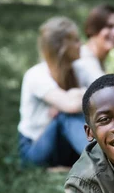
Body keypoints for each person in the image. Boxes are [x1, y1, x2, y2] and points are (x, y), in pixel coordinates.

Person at [18, 17, 87, 169]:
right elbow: (70, 106)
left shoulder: (79, 70)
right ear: (61, 46)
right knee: (65, 115)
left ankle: (100, 158)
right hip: (35, 149)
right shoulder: (36, 75)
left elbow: (105, 90)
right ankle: (103, 160)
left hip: (64, 146)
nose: (80, 44)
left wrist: (78, 92)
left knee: (89, 112)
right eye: (75, 40)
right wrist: (78, 94)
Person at [72, 4, 114, 89]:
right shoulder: (83, 60)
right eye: (110, 26)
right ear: (94, 28)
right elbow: (106, 91)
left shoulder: (98, 61)